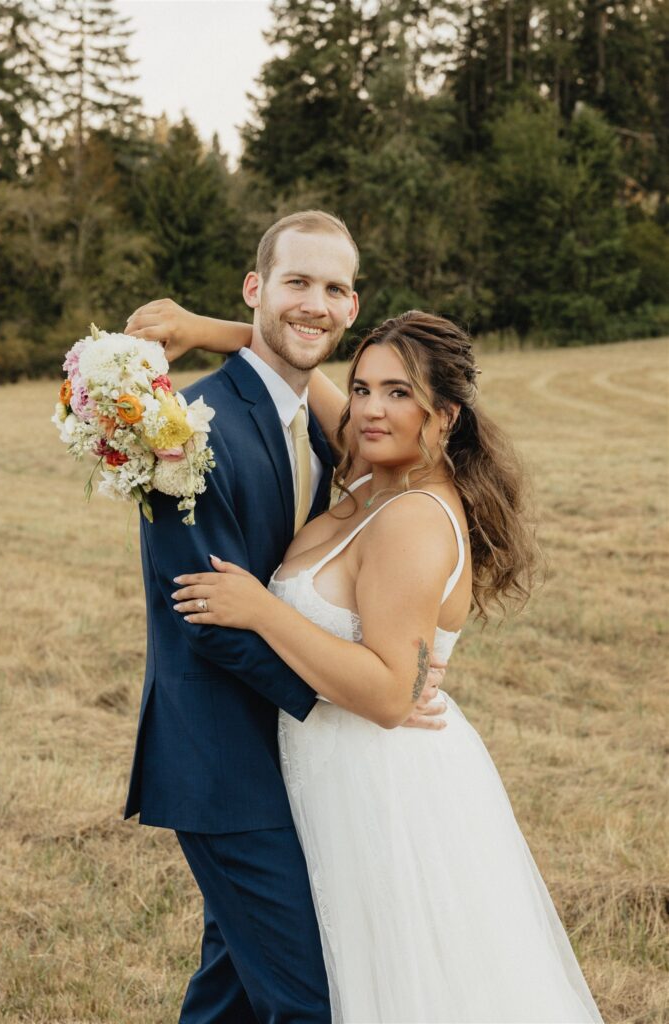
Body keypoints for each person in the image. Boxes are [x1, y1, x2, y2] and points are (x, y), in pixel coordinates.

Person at [162, 309, 604, 1022]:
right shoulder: (376, 468)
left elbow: (391, 696)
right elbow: (297, 371)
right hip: (323, 766)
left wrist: (262, 609)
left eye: (398, 393)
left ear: (444, 414)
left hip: (379, 784)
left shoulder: (414, 519)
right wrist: (206, 329)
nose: (369, 407)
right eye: (364, 386)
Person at [123, 211, 447, 1024]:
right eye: (295, 281)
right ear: (255, 288)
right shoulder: (185, 427)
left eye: (332, 289)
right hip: (223, 759)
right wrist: (365, 690)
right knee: (309, 999)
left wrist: (208, 326)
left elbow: (308, 362)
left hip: (290, 756)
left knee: (231, 987)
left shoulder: (333, 425)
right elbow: (207, 615)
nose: (314, 303)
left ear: (351, 305)